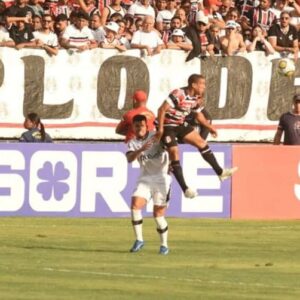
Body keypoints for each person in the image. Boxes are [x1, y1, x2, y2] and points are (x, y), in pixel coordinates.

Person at [155, 74, 238, 198]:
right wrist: (160, 129)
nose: (204, 87)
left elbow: (198, 114)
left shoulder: (196, 98)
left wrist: (209, 127)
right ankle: (185, 189)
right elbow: (161, 109)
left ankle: (220, 172)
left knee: (202, 143)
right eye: (202, 84)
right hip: (167, 126)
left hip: (179, 124)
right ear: (193, 85)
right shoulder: (179, 94)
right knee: (174, 153)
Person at [127, 114, 171, 255]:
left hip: (161, 178)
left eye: (142, 125)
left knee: (158, 215)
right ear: (133, 127)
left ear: (147, 126)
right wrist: (141, 149)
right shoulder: (132, 143)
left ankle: (164, 245)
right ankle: (139, 240)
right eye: (137, 126)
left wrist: (173, 163)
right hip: (145, 178)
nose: (139, 128)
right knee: (135, 205)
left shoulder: (156, 136)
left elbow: (171, 146)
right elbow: (129, 158)